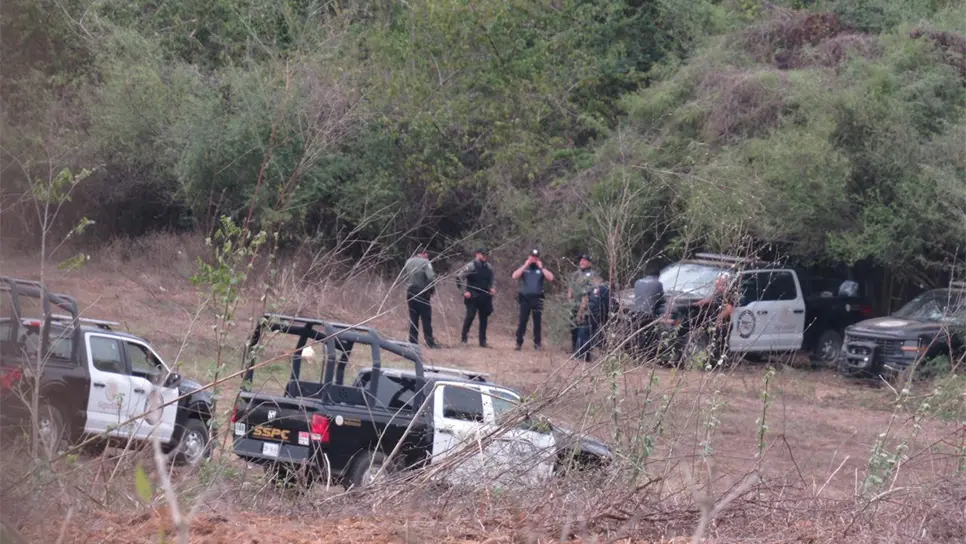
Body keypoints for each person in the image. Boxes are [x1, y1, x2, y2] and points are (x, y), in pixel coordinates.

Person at [512, 249, 555, 351]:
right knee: (522, 321)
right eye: (532, 257)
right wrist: (525, 265)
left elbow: (551, 278)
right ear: (529, 257)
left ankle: (537, 344)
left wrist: (541, 267)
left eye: (536, 257)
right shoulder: (525, 268)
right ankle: (518, 343)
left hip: (537, 299)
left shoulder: (540, 269)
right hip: (525, 299)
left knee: (537, 322)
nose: (534, 259)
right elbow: (514, 276)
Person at [456, 247, 496, 347]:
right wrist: (463, 292)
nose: (485, 256)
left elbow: (492, 280)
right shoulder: (471, 266)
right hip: (473, 296)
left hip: (485, 296)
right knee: (470, 317)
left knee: (484, 319)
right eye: (483, 254)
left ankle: (482, 341)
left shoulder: (489, 267)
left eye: (486, 255)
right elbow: (459, 277)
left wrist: (492, 288)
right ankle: (464, 339)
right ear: (477, 254)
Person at [402, 247, 440, 348]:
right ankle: (429, 342)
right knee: (426, 318)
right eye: (426, 254)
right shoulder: (425, 262)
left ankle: (413, 341)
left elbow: (404, 275)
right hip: (422, 293)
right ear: (423, 254)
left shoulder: (408, 262)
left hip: (410, 292)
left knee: (413, 318)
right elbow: (431, 277)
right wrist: (431, 289)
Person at [694, 272, 736, 363]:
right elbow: (715, 300)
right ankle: (714, 362)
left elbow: (729, 308)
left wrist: (720, 318)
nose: (717, 283)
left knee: (721, 344)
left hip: (724, 323)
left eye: (719, 282)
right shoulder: (718, 292)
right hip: (715, 322)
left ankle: (724, 363)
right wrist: (704, 301)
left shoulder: (729, 293)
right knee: (713, 342)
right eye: (717, 282)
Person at [574, 273, 608, 362]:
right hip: (601, 315)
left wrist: (579, 314)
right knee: (595, 335)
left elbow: (584, 302)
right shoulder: (606, 289)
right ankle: (591, 356)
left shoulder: (591, 289)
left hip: (590, 314)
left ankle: (582, 356)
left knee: (584, 334)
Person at [568, 254, 597, 355]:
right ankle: (574, 349)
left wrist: (582, 308)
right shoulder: (576, 274)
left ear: (589, 263)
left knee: (583, 328)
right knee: (573, 327)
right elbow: (571, 289)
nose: (582, 262)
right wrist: (570, 301)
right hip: (574, 305)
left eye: (584, 260)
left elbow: (589, 293)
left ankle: (583, 352)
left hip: (585, 305)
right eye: (581, 260)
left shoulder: (593, 275)